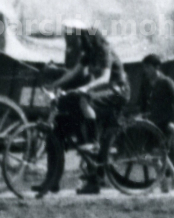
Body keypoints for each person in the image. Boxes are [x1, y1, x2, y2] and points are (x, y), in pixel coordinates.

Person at [37, 24, 128, 195]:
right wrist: (54, 85)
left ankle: (93, 142)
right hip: (103, 90)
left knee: (84, 100)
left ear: (89, 37)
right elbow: (73, 73)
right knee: (70, 112)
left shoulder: (104, 50)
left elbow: (105, 77)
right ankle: (60, 179)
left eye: (81, 37)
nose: (78, 40)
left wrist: (86, 88)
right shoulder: (88, 53)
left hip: (117, 90)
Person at [135, 53, 174, 191]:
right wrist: (141, 115)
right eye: (145, 68)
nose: (146, 71)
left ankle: (172, 175)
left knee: (159, 152)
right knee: (154, 155)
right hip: (151, 123)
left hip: (165, 123)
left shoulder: (166, 82)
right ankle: (166, 180)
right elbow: (142, 103)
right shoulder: (145, 84)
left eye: (148, 68)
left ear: (156, 68)